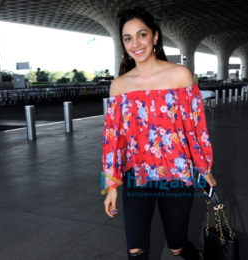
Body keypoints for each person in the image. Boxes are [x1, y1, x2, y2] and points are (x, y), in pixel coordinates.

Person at [102, 8, 216, 260]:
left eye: (141, 35)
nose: (135, 44)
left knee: (176, 245)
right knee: (135, 247)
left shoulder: (180, 75)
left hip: (176, 173)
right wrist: (111, 184)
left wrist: (204, 166)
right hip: (136, 175)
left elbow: (195, 128)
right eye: (128, 38)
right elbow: (113, 140)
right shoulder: (119, 86)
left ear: (155, 37)